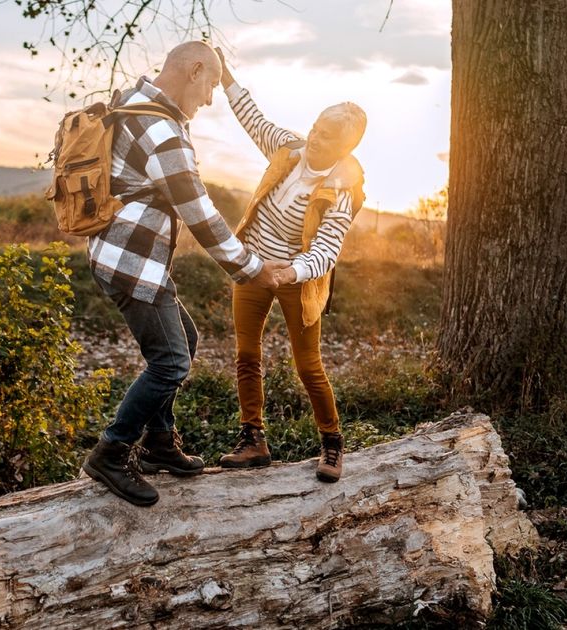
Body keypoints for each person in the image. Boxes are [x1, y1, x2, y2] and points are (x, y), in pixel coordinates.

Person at [81, 42, 289, 506]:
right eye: (211, 84)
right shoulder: (161, 128)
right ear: (194, 71)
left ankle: (159, 444)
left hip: (128, 257)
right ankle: (112, 452)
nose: (211, 98)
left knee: (185, 341)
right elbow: (199, 213)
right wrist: (251, 269)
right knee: (172, 361)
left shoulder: (133, 103)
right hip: (132, 263)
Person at [214, 48, 368, 483]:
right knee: (247, 354)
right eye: (316, 129)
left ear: (345, 148)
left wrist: (286, 272)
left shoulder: (340, 191)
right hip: (253, 269)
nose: (316, 140)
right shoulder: (288, 149)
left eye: (328, 138)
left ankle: (332, 443)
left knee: (308, 365)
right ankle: (253, 439)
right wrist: (227, 78)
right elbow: (253, 118)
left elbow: (325, 253)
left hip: (298, 282)